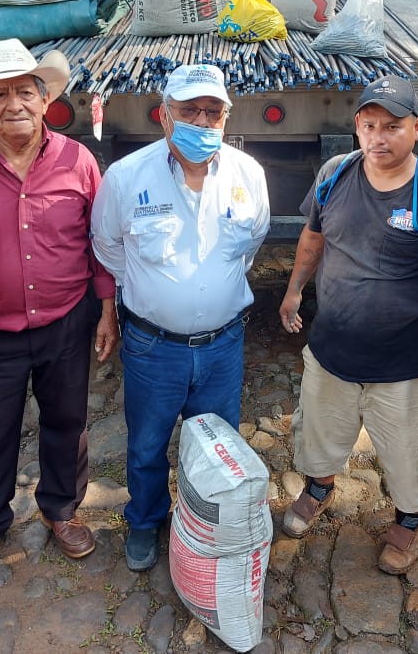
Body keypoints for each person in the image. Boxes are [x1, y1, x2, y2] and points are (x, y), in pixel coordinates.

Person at [0, 38, 118, 588]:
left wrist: (106, 310)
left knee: (68, 421)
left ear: (45, 101)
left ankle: (61, 509)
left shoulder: (78, 160)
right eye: (0, 95)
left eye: (25, 92)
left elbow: (100, 241)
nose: (13, 104)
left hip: (67, 320)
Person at [279, 77, 418, 574]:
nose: (378, 137)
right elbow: (313, 238)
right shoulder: (335, 173)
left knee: (410, 454)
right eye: (369, 126)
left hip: (405, 363)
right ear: (357, 126)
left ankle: (410, 518)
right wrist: (295, 289)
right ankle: (319, 488)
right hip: (332, 349)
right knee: (319, 434)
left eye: (392, 126)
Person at [91, 63, 270, 572]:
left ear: (226, 117)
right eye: (189, 111)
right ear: (164, 115)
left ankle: (204, 527)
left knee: (216, 447)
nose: (202, 122)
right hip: (153, 347)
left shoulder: (248, 175)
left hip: (222, 346)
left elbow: (251, 244)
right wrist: (155, 293)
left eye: (213, 112)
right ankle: (145, 520)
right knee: (147, 444)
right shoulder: (126, 177)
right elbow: (108, 247)